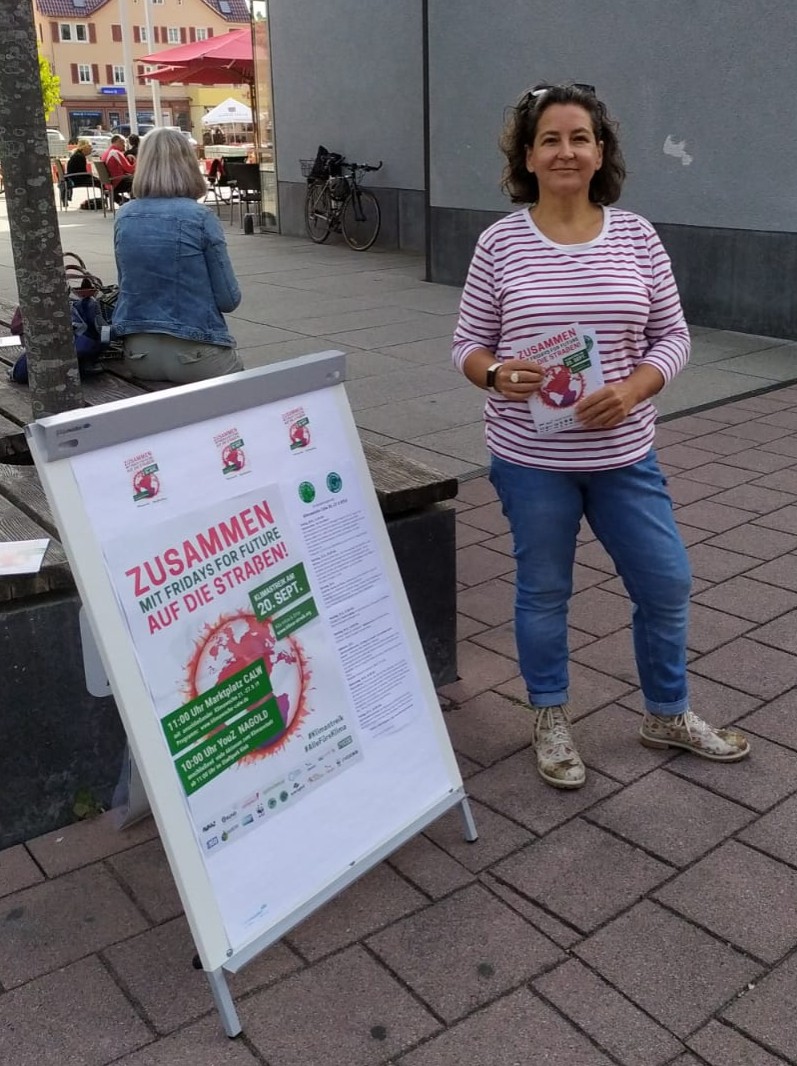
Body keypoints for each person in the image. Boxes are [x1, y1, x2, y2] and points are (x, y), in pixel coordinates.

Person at [452, 82, 750, 790]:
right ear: (526, 155)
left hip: (623, 456)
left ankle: (665, 713)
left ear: (600, 151)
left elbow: (671, 335)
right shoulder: (499, 243)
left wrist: (636, 387)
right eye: (549, 139)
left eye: (578, 138)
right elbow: (467, 342)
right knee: (543, 591)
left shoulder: (637, 236)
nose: (564, 151)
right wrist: (495, 374)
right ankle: (550, 716)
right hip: (531, 459)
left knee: (666, 580)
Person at [112, 126, 243, 384]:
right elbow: (229, 299)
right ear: (188, 164)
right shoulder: (200, 217)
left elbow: (126, 284)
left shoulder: (124, 216)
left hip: (139, 354)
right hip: (197, 353)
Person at [61, 138, 97, 205]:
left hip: (73, 178)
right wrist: (93, 176)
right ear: (84, 148)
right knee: (100, 182)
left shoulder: (77, 154)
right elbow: (83, 173)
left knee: (97, 180)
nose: (91, 149)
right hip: (76, 180)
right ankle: (109, 200)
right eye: (89, 147)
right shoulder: (80, 157)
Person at [101, 135, 135, 202]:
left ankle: (128, 202)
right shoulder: (115, 153)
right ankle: (136, 204)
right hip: (116, 183)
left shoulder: (107, 152)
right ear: (118, 142)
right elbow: (130, 170)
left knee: (131, 179)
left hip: (108, 183)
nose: (125, 145)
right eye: (124, 142)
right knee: (138, 181)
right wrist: (138, 161)